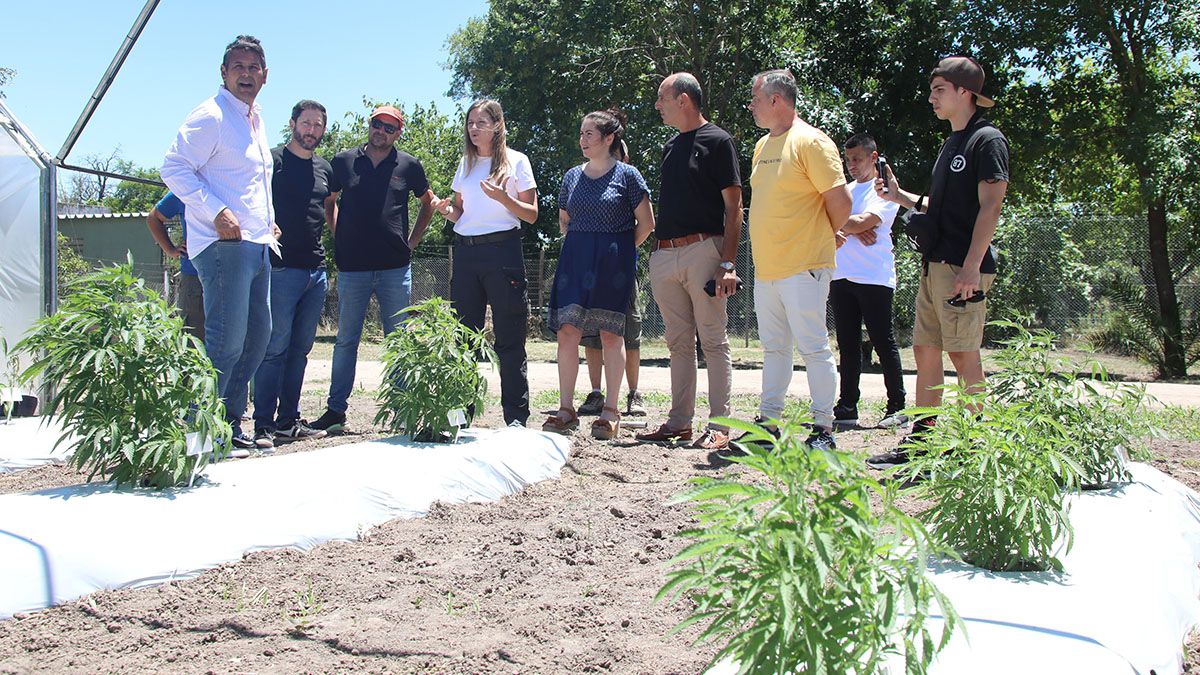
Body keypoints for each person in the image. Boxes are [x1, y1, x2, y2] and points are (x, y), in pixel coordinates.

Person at [866, 56, 1009, 469]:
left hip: (962, 268)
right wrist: (899, 197)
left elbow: (991, 206)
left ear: (966, 93)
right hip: (935, 265)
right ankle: (923, 441)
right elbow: (941, 209)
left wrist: (971, 266)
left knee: (964, 354)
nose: (931, 98)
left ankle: (973, 446)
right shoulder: (952, 143)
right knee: (925, 348)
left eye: (939, 90)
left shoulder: (987, 140)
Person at [161, 35, 277, 456]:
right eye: (238, 67)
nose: (246, 74)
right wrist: (215, 211)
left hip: (258, 244)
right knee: (226, 341)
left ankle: (226, 425)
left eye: (253, 67)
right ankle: (199, 433)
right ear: (224, 73)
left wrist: (268, 221)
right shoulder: (210, 115)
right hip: (221, 244)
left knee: (258, 338)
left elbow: (246, 180)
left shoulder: (254, 117)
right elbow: (173, 167)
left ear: (265, 75)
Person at [309, 105, 437, 433]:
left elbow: (428, 205)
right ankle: (336, 410)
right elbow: (329, 202)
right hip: (353, 268)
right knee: (346, 341)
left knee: (398, 342)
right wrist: (341, 237)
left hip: (396, 267)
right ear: (370, 126)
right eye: (377, 124)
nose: (381, 131)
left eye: (389, 127)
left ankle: (402, 411)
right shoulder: (343, 161)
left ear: (398, 133)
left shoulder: (409, 165)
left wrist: (412, 242)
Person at [635, 73, 743, 450]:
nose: (657, 104)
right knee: (678, 343)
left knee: (713, 341)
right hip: (665, 254)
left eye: (661, 98)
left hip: (704, 251)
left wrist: (727, 263)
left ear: (683, 99)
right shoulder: (669, 146)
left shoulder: (719, 141)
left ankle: (720, 426)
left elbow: (735, 208)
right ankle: (679, 422)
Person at [743, 69, 851, 451]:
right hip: (768, 267)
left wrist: (825, 236)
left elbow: (840, 203)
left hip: (804, 264)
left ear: (776, 100)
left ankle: (823, 429)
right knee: (774, 348)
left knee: (813, 347)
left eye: (756, 98)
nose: (751, 105)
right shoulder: (761, 146)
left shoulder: (812, 142)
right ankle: (768, 427)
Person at [543, 109, 654, 439]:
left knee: (610, 334)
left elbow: (647, 224)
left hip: (613, 265)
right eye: (581, 133)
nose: (583, 140)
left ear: (609, 139)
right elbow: (565, 218)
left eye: (590, 134)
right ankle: (565, 410)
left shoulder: (629, 176)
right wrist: (581, 243)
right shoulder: (571, 177)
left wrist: (618, 253)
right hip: (575, 260)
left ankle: (610, 412)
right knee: (567, 331)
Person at [430, 99, 538, 427]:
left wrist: (505, 198)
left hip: (503, 252)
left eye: (481, 122)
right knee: (464, 337)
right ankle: (459, 418)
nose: (473, 128)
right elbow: (459, 213)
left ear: (497, 125)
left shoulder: (517, 162)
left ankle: (516, 420)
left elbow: (531, 215)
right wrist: (443, 208)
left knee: (509, 338)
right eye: (470, 122)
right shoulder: (465, 163)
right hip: (465, 254)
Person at [251, 100, 334, 448]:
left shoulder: (325, 169)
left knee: (300, 350)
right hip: (280, 268)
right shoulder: (271, 161)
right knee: (274, 349)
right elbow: (250, 199)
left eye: (318, 125)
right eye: (306, 123)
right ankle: (262, 426)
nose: (311, 130)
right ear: (292, 123)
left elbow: (330, 205)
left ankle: (288, 421)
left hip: (315, 270)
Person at [831, 133, 906, 429]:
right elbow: (825, 218)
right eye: (848, 159)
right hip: (841, 275)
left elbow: (859, 223)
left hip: (874, 276)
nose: (851, 165)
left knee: (883, 341)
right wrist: (852, 225)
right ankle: (848, 405)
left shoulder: (885, 191)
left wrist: (844, 224)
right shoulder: (845, 191)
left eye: (857, 159)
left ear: (874, 158)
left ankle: (897, 407)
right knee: (847, 345)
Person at [578, 139, 645, 419]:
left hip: (622, 276)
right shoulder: (586, 182)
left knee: (629, 334)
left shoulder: (629, 182)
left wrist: (623, 254)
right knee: (592, 336)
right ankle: (596, 393)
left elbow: (646, 223)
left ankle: (633, 394)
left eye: (616, 154)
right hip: (591, 274)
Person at [146, 191, 204, 341]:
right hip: (194, 277)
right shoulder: (185, 187)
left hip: (231, 275)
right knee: (193, 340)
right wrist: (171, 250)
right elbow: (153, 218)